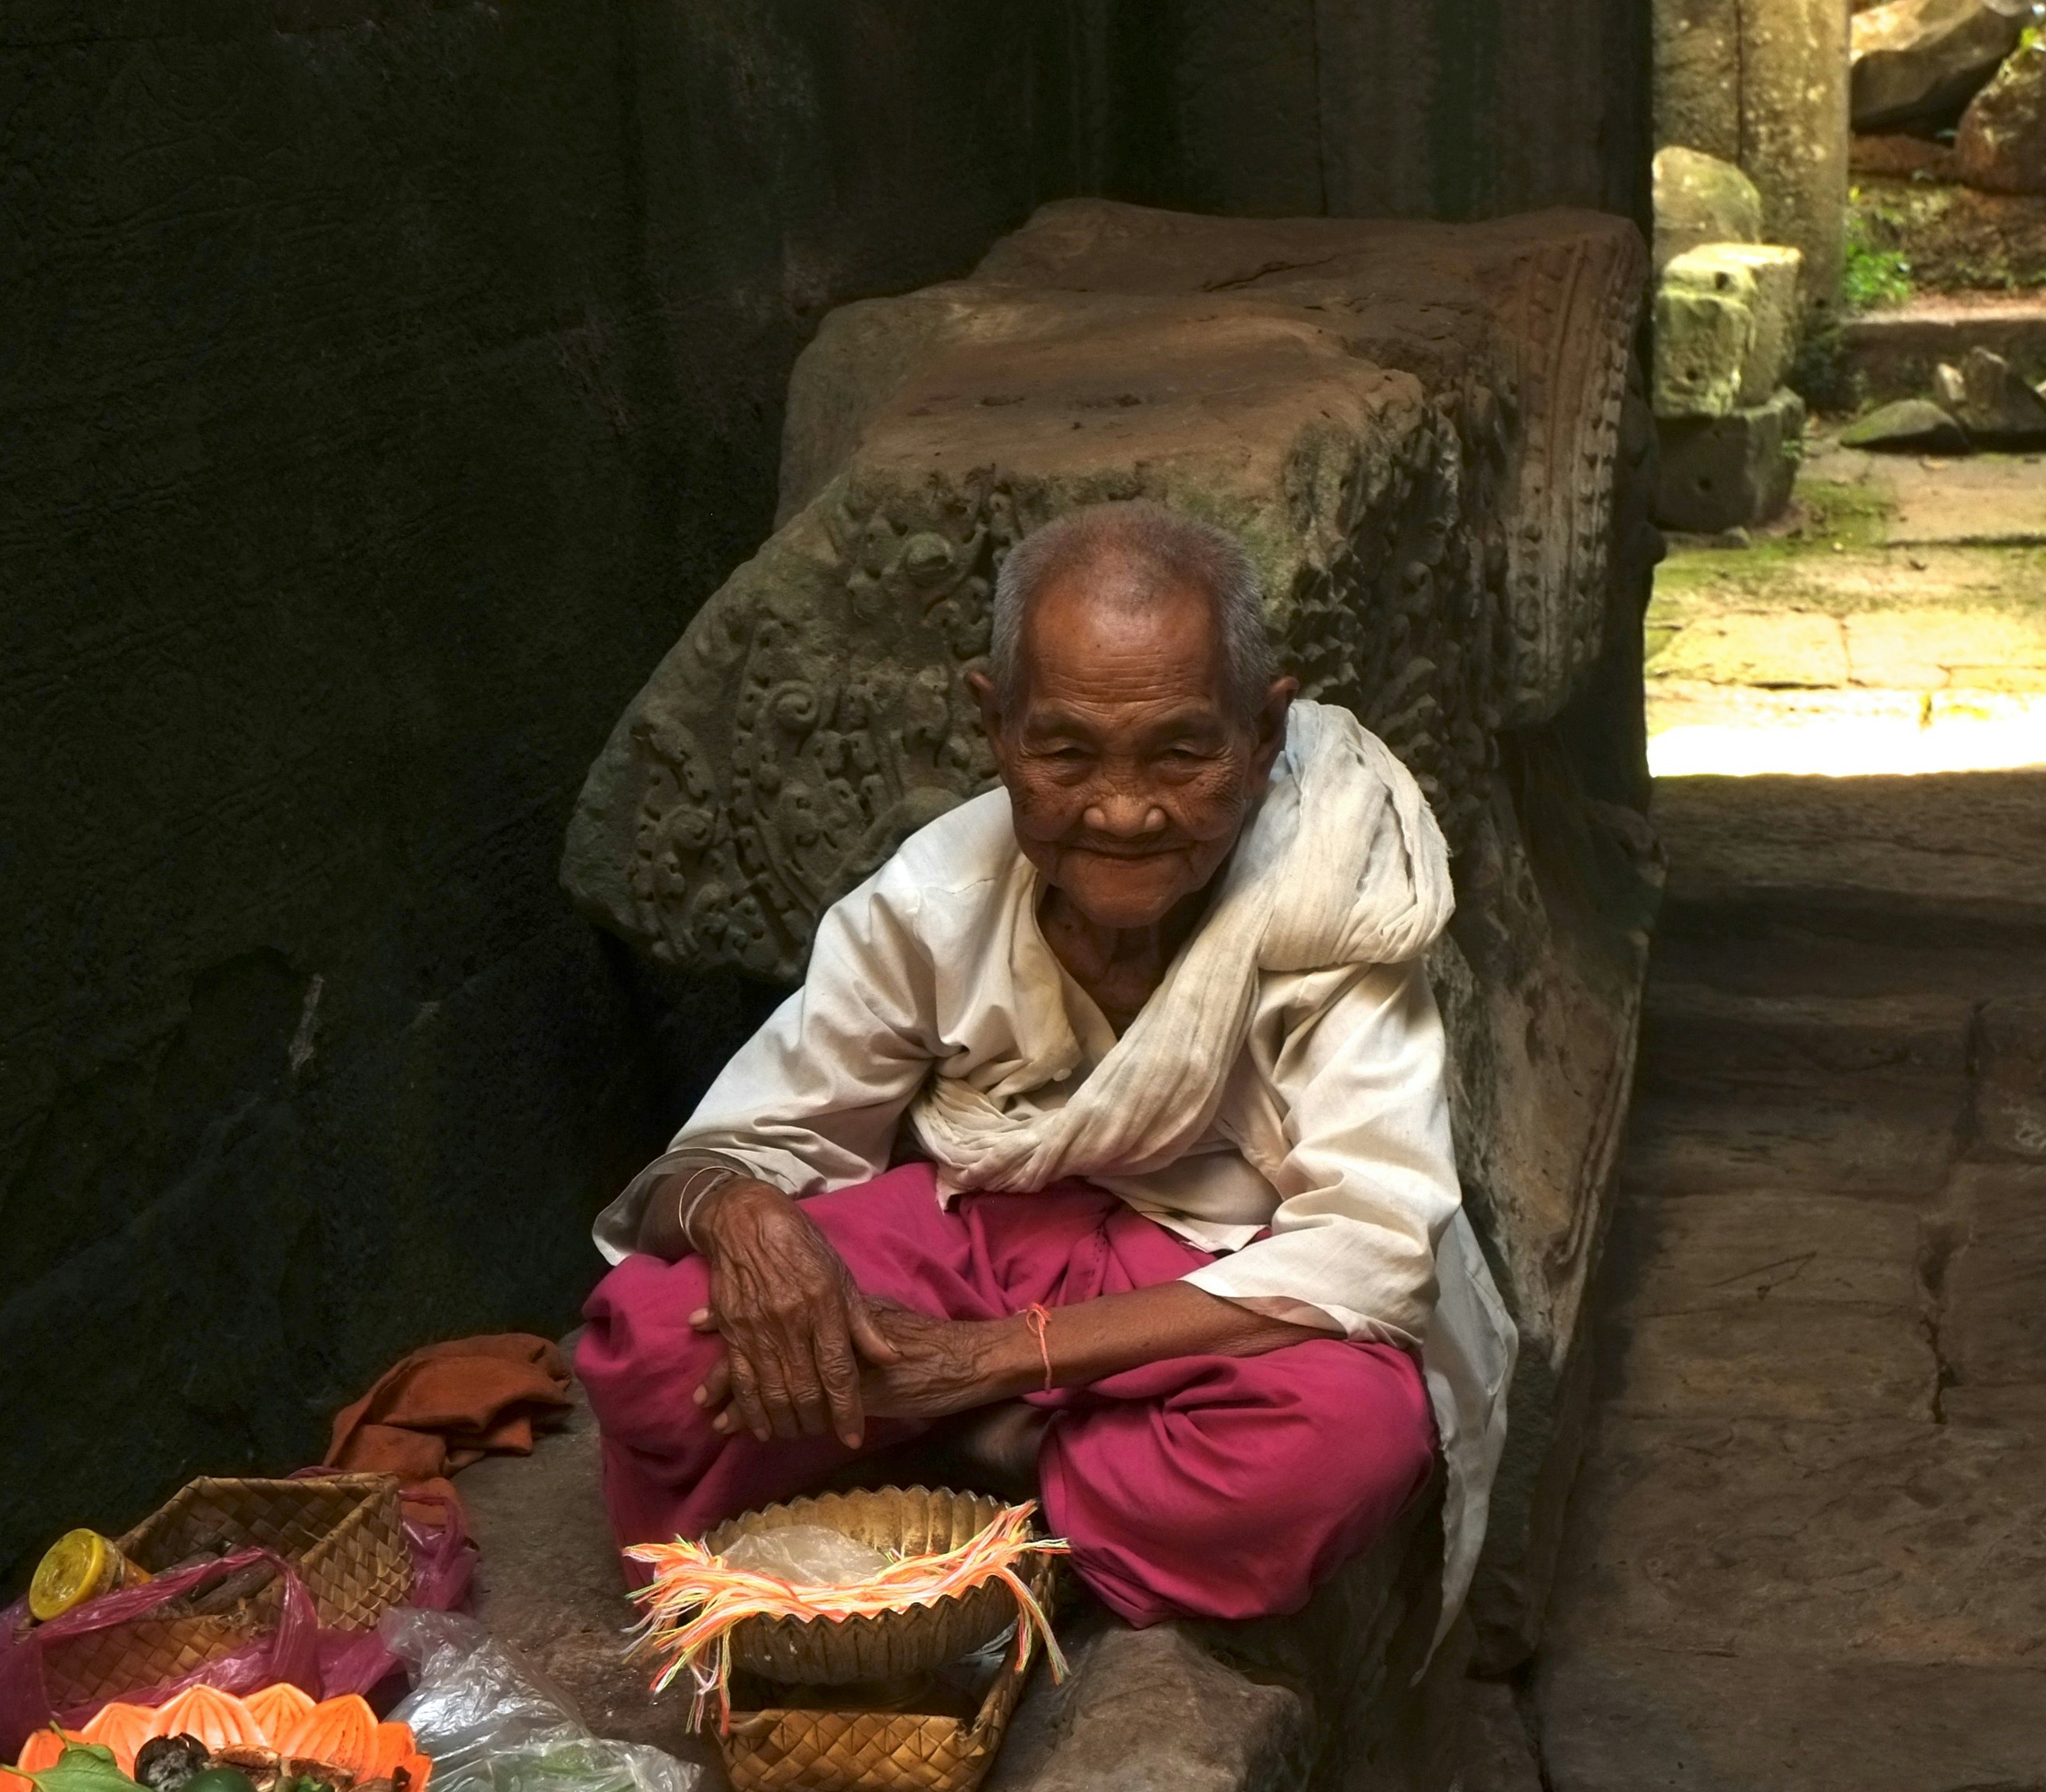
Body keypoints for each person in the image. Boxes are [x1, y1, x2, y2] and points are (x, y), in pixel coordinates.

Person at [577, 500, 1510, 1626]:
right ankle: (1050, 1466)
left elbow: (1370, 1248)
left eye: (1181, 751)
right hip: (984, 1233)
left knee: (1347, 1439)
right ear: (995, 725)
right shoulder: (933, 901)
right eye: (1066, 751)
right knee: (651, 1347)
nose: (1121, 810)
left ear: (1264, 734)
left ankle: (967, 1461)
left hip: (1215, 1283)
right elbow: (743, 1144)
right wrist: (741, 1218)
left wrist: (986, 1365)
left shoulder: (1335, 900)